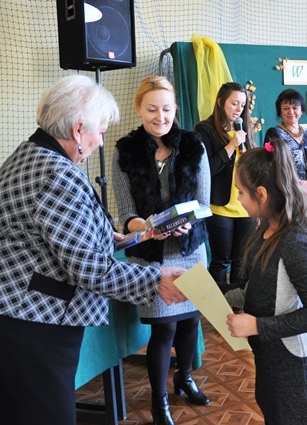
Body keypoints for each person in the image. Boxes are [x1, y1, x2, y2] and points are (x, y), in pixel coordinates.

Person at [0, 75, 187, 425]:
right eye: (100, 132)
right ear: (78, 130)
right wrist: (157, 279)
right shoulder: (57, 174)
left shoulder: (31, 153)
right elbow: (90, 269)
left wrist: (117, 237)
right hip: (20, 323)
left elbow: (55, 234)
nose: (100, 141)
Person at [111, 75, 211, 425]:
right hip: (150, 256)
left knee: (190, 321)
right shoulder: (125, 151)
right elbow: (126, 214)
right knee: (164, 328)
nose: (160, 117)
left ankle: (185, 378)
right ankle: (159, 402)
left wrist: (186, 222)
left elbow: (204, 203)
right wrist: (147, 225)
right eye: (152, 109)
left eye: (167, 109)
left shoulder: (194, 145)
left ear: (175, 109)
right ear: (138, 109)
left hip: (189, 248)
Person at [224, 138, 307, 425]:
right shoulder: (263, 231)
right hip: (272, 360)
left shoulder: (295, 242)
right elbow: (256, 288)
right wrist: (206, 292)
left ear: (261, 194)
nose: (238, 198)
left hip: (299, 370)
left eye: (241, 192)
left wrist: (256, 326)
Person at [194, 82, 256, 285]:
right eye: (234, 103)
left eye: (242, 105)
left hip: (245, 206)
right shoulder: (205, 129)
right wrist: (231, 145)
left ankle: (237, 302)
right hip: (219, 207)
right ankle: (219, 304)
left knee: (241, 260)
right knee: (222, 261)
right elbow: (206, 170)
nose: (239, 109)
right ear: (221, 102)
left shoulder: (244, 130)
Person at [264, 89, 307, 221]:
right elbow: (271, 166)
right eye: (286, 108)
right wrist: (299, 186)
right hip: (286, 196)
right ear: (280, 112)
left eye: (295, 107)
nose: (291, 112)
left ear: (301, 110)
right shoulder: (274, 134)